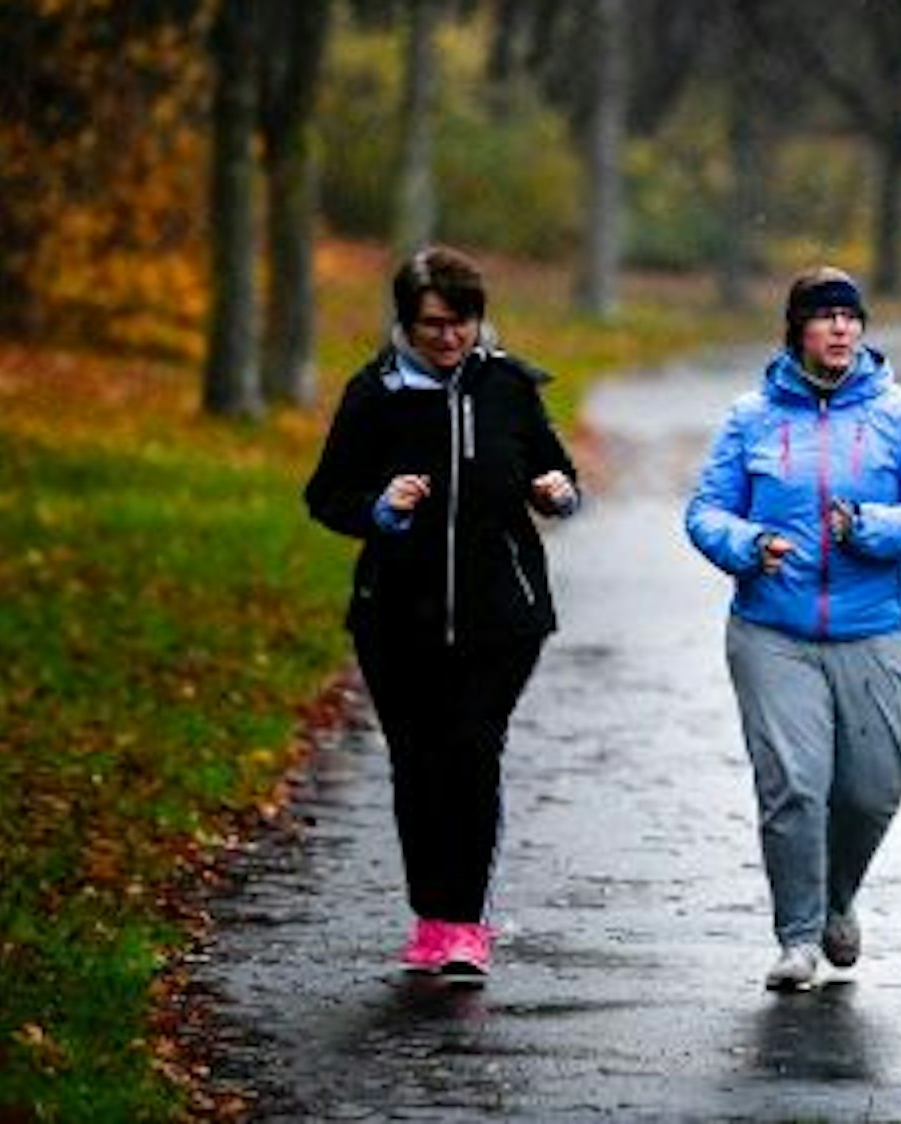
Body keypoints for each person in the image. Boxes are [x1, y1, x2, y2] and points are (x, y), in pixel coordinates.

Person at [685, 266, 901, 991]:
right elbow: (706, 512)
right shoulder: (751, 417)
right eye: (825, 316)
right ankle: (798, 938)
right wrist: (748, 545)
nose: (842, 327)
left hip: (878, 628)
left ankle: (838, 895)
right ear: (797, 331)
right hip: (772, 631)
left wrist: (872, 528)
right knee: (794, 786)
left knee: (870, 791)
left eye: (851, 316)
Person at [304, 245, 580, 984]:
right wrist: (378, 508)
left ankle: (464, 926)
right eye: (434, 325)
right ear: (406, 322)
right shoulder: (374, 394)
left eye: (463, 322)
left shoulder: (509, 386)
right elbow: (325, 496)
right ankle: (431, 917)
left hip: (502, 618)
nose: (450, 337)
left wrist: (556, 492)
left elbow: (556, 471)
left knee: (471, 752)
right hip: (396, 618)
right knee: (417, 763)